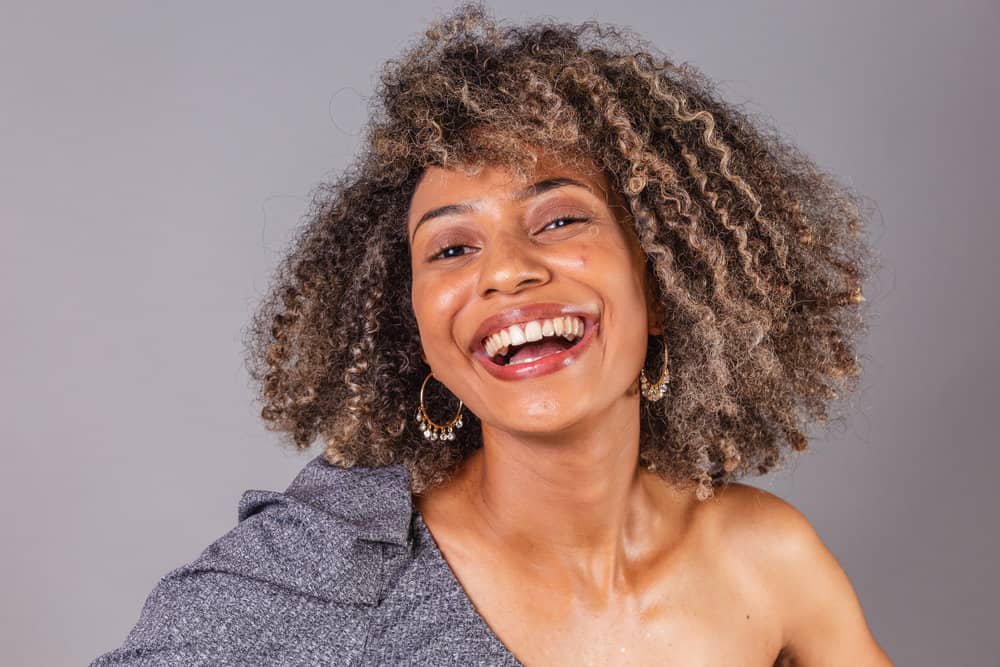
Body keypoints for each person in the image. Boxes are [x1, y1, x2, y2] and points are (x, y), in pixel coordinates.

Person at [92, 3, 891, 665]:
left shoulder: (764, 562)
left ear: (661, 270)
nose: (506, 271)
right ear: (419, 330)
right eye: (451, 247)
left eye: (560, 217)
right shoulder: (332, 571)